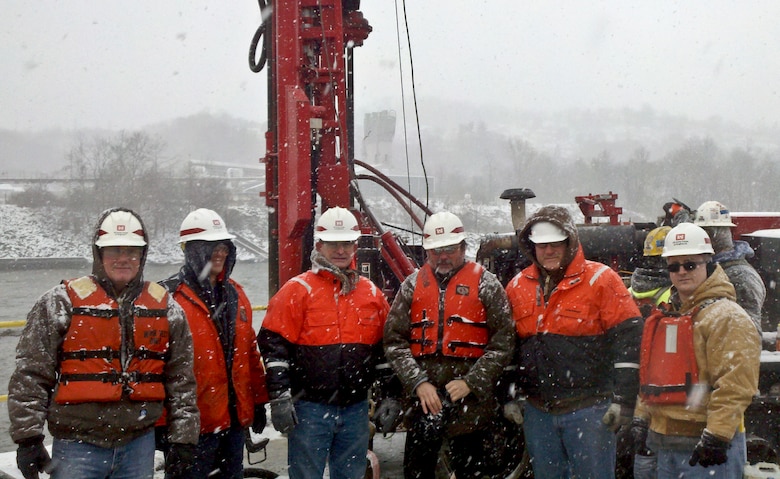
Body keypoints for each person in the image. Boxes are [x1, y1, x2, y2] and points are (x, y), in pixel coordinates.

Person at [8, 207, 199, 479]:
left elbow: (181, 380)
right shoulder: (60, 303)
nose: (123, 259)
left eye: (131, 251)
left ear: (142, 255)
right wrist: (28, 438)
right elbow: (31, 373)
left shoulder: (167, 308)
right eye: (114, 251)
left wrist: (183, 440)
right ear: (99, 254)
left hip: (139, 446)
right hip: (76, 447)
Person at [504, 205, 643, 479]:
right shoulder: (517, 286)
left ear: (570, 242)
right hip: (538, 413)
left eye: (556, 243)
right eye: (542, 245)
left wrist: (624, 401)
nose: (549, 251)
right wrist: (508, 396)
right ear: (532, 247)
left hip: (590, 411)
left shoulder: (601, 280)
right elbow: (508, 348)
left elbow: (629, 341)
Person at [258, 206, 390, 479]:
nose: (340, 250)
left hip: (355, 411)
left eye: (345, 244)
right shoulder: (297, 291)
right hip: (310, 411)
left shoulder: (371, 294)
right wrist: (280, 398)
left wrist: (389, 395)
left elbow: (385, 351)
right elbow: (274, 347)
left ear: (355, 246)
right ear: (319, 245)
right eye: (333, 244)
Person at [383, 211, 516, 479]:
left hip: (472, 408)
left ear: (463, 248)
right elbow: (394, 341)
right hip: (423, 404)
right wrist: (418, 383)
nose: (442, 256)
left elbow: (504, 342)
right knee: (418, 472)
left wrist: (472, 381)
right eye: (435, 251)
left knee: (473, 472)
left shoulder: (487, 285)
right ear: (426, 252)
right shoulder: (411, 287)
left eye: (449, 249)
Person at [630, 222, 760, 478]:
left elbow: (736, 384)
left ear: (709, 265)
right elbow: (654, 376)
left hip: (705, 448)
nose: (681, 272)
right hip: (664, 444)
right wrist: (641, 418)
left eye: (690, 265)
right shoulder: (667, 315)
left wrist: (717, 435)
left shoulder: (726, 316)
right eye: (674, 266)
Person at [158, 208, 269, 478]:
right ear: (193, 250)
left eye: (224, 247)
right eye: (212, 247)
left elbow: (249, 354)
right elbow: (155, 366)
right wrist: (162, 425)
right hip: (191, 430)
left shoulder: (237, 295)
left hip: (231, 425)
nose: (220, 253)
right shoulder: (168, 299)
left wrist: (257, 402)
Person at [625, 226, 672, 479]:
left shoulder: (630, 290)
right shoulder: (674, 293)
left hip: (632, 381)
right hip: (664, 386)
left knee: (642, 450)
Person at [693, 200, 766, 334]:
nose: (704, 238)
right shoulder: (708, 269)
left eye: (708, 232)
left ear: (725, 232)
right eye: (701, 232)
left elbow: (749, 333)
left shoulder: (742, 276)